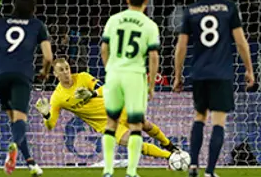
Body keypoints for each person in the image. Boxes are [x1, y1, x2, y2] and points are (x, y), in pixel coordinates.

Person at [173, 0, 255, 177]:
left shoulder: (191, 10)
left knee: (199, 117)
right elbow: (240, 41)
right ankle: (209, 171)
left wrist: (177, 75)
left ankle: (192, 164)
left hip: (199, 73)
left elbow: (181, 46)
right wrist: (249, 69)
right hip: (221, 73)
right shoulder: (229, 8)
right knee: (218, 121)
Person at [35, 58, 180, 163]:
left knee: (146, 125)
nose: (66, 72)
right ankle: (170, 157)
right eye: (61, 70)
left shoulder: (83, 77)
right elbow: (51, 125)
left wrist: (92, 93)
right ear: (55, 74)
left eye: (67, 68)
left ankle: (169, 146)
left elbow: (106, 88)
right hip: (107, 125)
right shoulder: (57, 98)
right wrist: (46, 114)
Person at [0, 0, 53, 177]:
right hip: (21, 75)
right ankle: (14, 145)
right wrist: (44, 72)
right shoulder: (37, 25)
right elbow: (48, 56)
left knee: (13, 120)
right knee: (20, 119)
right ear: (33, 8)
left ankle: (30, 162)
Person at [101, 0, 160, 177]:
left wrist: (110, 69)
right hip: (134, 75)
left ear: (127, 0)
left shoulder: (113, 20)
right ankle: (131, 173)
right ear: (146, 1)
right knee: (135, 125)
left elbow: (104, 48)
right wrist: (151, 84)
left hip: (114, 74)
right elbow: (153, 57)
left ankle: (108, 170)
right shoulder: (149, 25)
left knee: (111, 123)